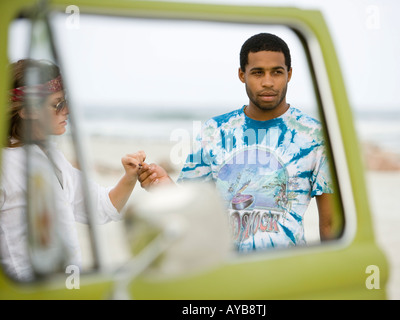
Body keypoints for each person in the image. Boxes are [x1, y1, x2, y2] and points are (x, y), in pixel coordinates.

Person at [138, 33, 335, 253]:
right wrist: (165, 186)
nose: (268, 82)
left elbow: (330, 224)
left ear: (289, 74)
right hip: (225, 271)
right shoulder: (215, 131)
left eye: (277, 72)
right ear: (242, 75)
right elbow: (192, 211)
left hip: (288, 271)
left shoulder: (314, 136)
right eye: (257, 73)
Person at [0, 59, 146, 281]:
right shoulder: (5, 165)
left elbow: (99, 206)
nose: (66, 110)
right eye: (57, 104)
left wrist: (129, 177)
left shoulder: (52, 157)